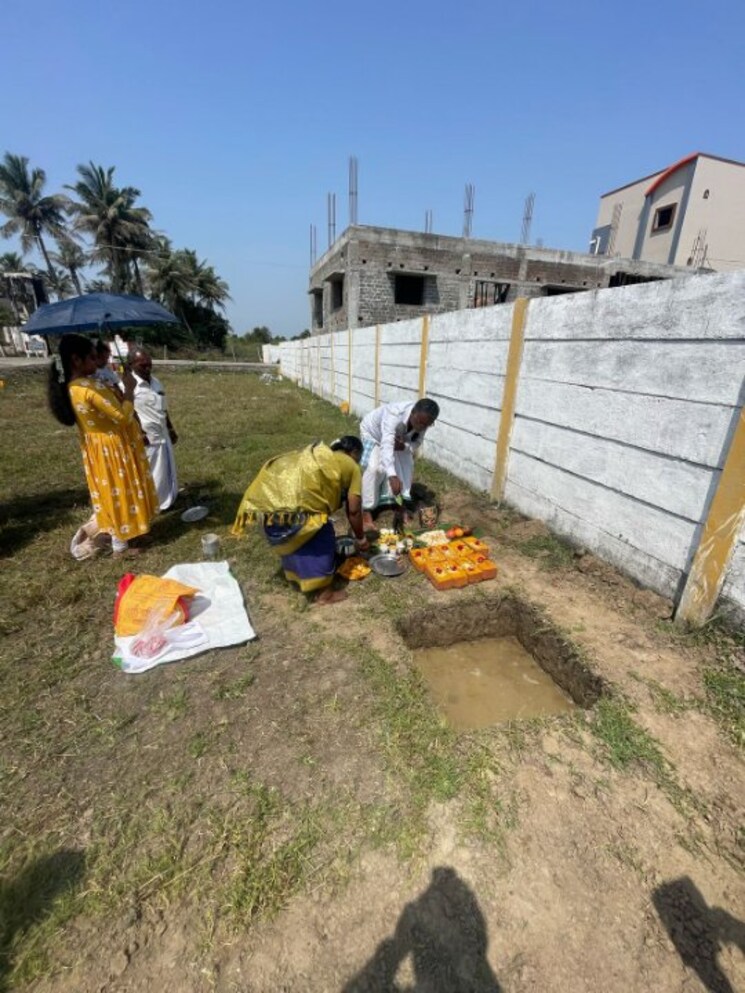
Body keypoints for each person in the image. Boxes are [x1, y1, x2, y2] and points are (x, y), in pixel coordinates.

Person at [47, 333, 159, 557]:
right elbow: (122, 417)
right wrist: (129, 390)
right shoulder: (87, 388)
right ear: (76, 360)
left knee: (121, 490)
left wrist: (116, 391)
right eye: (92, 357)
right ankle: (121, 546)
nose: (98, 362)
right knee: (119, 492)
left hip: (104, 447)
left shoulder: (78, 386)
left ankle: (133, 532)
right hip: (113, 448)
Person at [232, 436, 369, 605]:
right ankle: (325, 594)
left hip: (271, 503)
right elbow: (354, 510)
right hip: (297, 511)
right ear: (354, 452)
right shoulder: (353, 467)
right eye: (359, 456)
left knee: (299, 539)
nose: (359, 461)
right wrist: (361, 538)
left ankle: (297, 576)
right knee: (322, 534)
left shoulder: (321, 455)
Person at [359, 397, 440, 532]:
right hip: (374, 435)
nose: (420, 427)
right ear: (413, 412)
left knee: (406, 467)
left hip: (399, 441)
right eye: (419, 422)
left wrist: (404, 447)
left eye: (425, 425)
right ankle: (366, 512)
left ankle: (399, 505)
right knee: (375, 469)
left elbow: (417, 442)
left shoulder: (424, 420)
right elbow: (386, 444)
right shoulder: (394, 413)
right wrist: (392, 476)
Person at [124, 346, 179, 511]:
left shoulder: (156, 382)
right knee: (152, 471)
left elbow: (163, 407)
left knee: (167, 468)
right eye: (143, 365)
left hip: (162, 433)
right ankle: (154, 504)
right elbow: (128, 412)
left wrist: (170, 428)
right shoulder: (128, 386)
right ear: (131, 365)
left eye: (149, 364)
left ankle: (168, 498)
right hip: (147, 437)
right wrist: (140, 433)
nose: (148, 368)